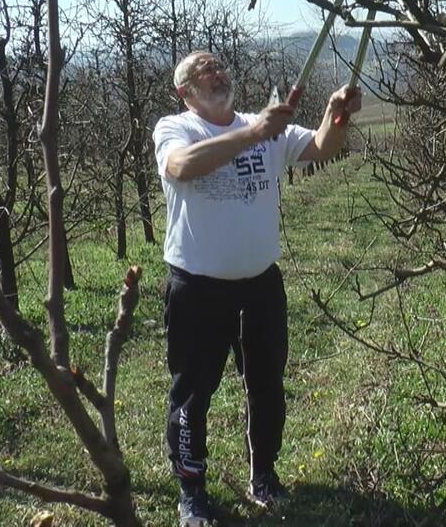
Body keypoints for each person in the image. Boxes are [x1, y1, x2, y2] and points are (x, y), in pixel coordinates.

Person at [152, 51, 361, 526]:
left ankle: (263, 475)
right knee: (192, 394)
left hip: (261, 286)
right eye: (203, 70)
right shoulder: (176, 128)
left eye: (219, 65)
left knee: (267, 386)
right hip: (197, 289)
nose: (217, 72)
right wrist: (251, 133)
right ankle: (192, 492)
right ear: (185, 92)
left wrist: (337, 115)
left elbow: (322, 149)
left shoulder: (263, 125)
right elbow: (181, 167)